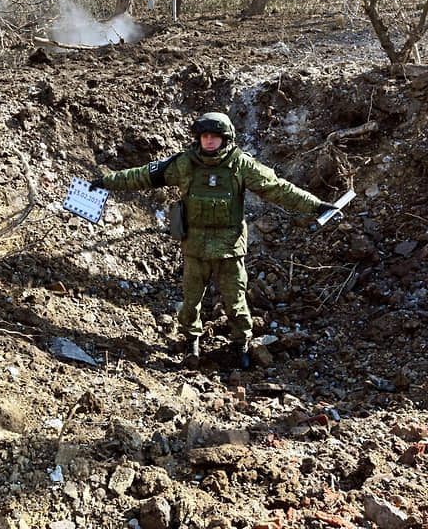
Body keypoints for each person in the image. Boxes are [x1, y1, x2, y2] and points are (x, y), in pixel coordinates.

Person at [89, 112, 338, 369]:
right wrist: (105, 182)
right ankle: (191, 340)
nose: (209, 141)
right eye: (205, 136)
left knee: (236, 301)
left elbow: (278, 189)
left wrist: (315, 206)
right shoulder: (185, 163)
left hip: (230, 249)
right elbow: (141, 176)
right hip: (195, 247)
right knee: (191, 300)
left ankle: (240, 343)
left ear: (225, 138)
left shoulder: (240, 165)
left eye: (214, 137)